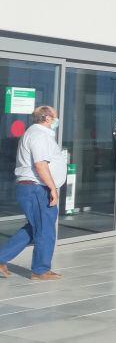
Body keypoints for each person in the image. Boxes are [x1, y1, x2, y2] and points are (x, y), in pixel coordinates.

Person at [0, 105, 66, 280]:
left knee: (33, 228)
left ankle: (1, 258)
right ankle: (40, 270)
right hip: (36, 188)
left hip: (32, 188)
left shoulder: (35, 134)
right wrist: (52, 188)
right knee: (45, 229)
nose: (57, 120)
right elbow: (40, 164)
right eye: (55, 117)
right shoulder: (38, 135)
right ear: (47, 118)